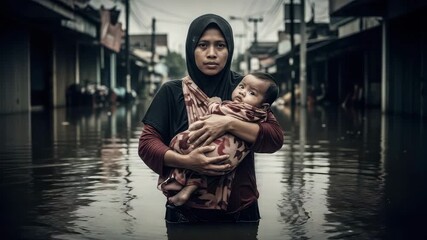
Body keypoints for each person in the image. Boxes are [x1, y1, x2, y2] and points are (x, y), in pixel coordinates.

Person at [138, 13, 283, 223]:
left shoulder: (245, 89)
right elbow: (147, 145)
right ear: (191, 49)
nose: (212, 54)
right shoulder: (171, 92)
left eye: (220, 46)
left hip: (240, 211)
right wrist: (188, 161)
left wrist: (228, 123)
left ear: (229, 49)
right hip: (184, 213)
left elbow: (275, 138)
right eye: (203, 45)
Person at [158, 72, 280, 210]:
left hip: (214, 152)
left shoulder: (242, 108)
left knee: (179, 143)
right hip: (227, 160)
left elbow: (219, 110)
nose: (242, 92)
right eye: (241, 87)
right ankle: (188, 190)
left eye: (251, 93)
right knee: (200, 171)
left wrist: (214, 103)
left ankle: (176, 183)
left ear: (264, 106)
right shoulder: (261, 115)